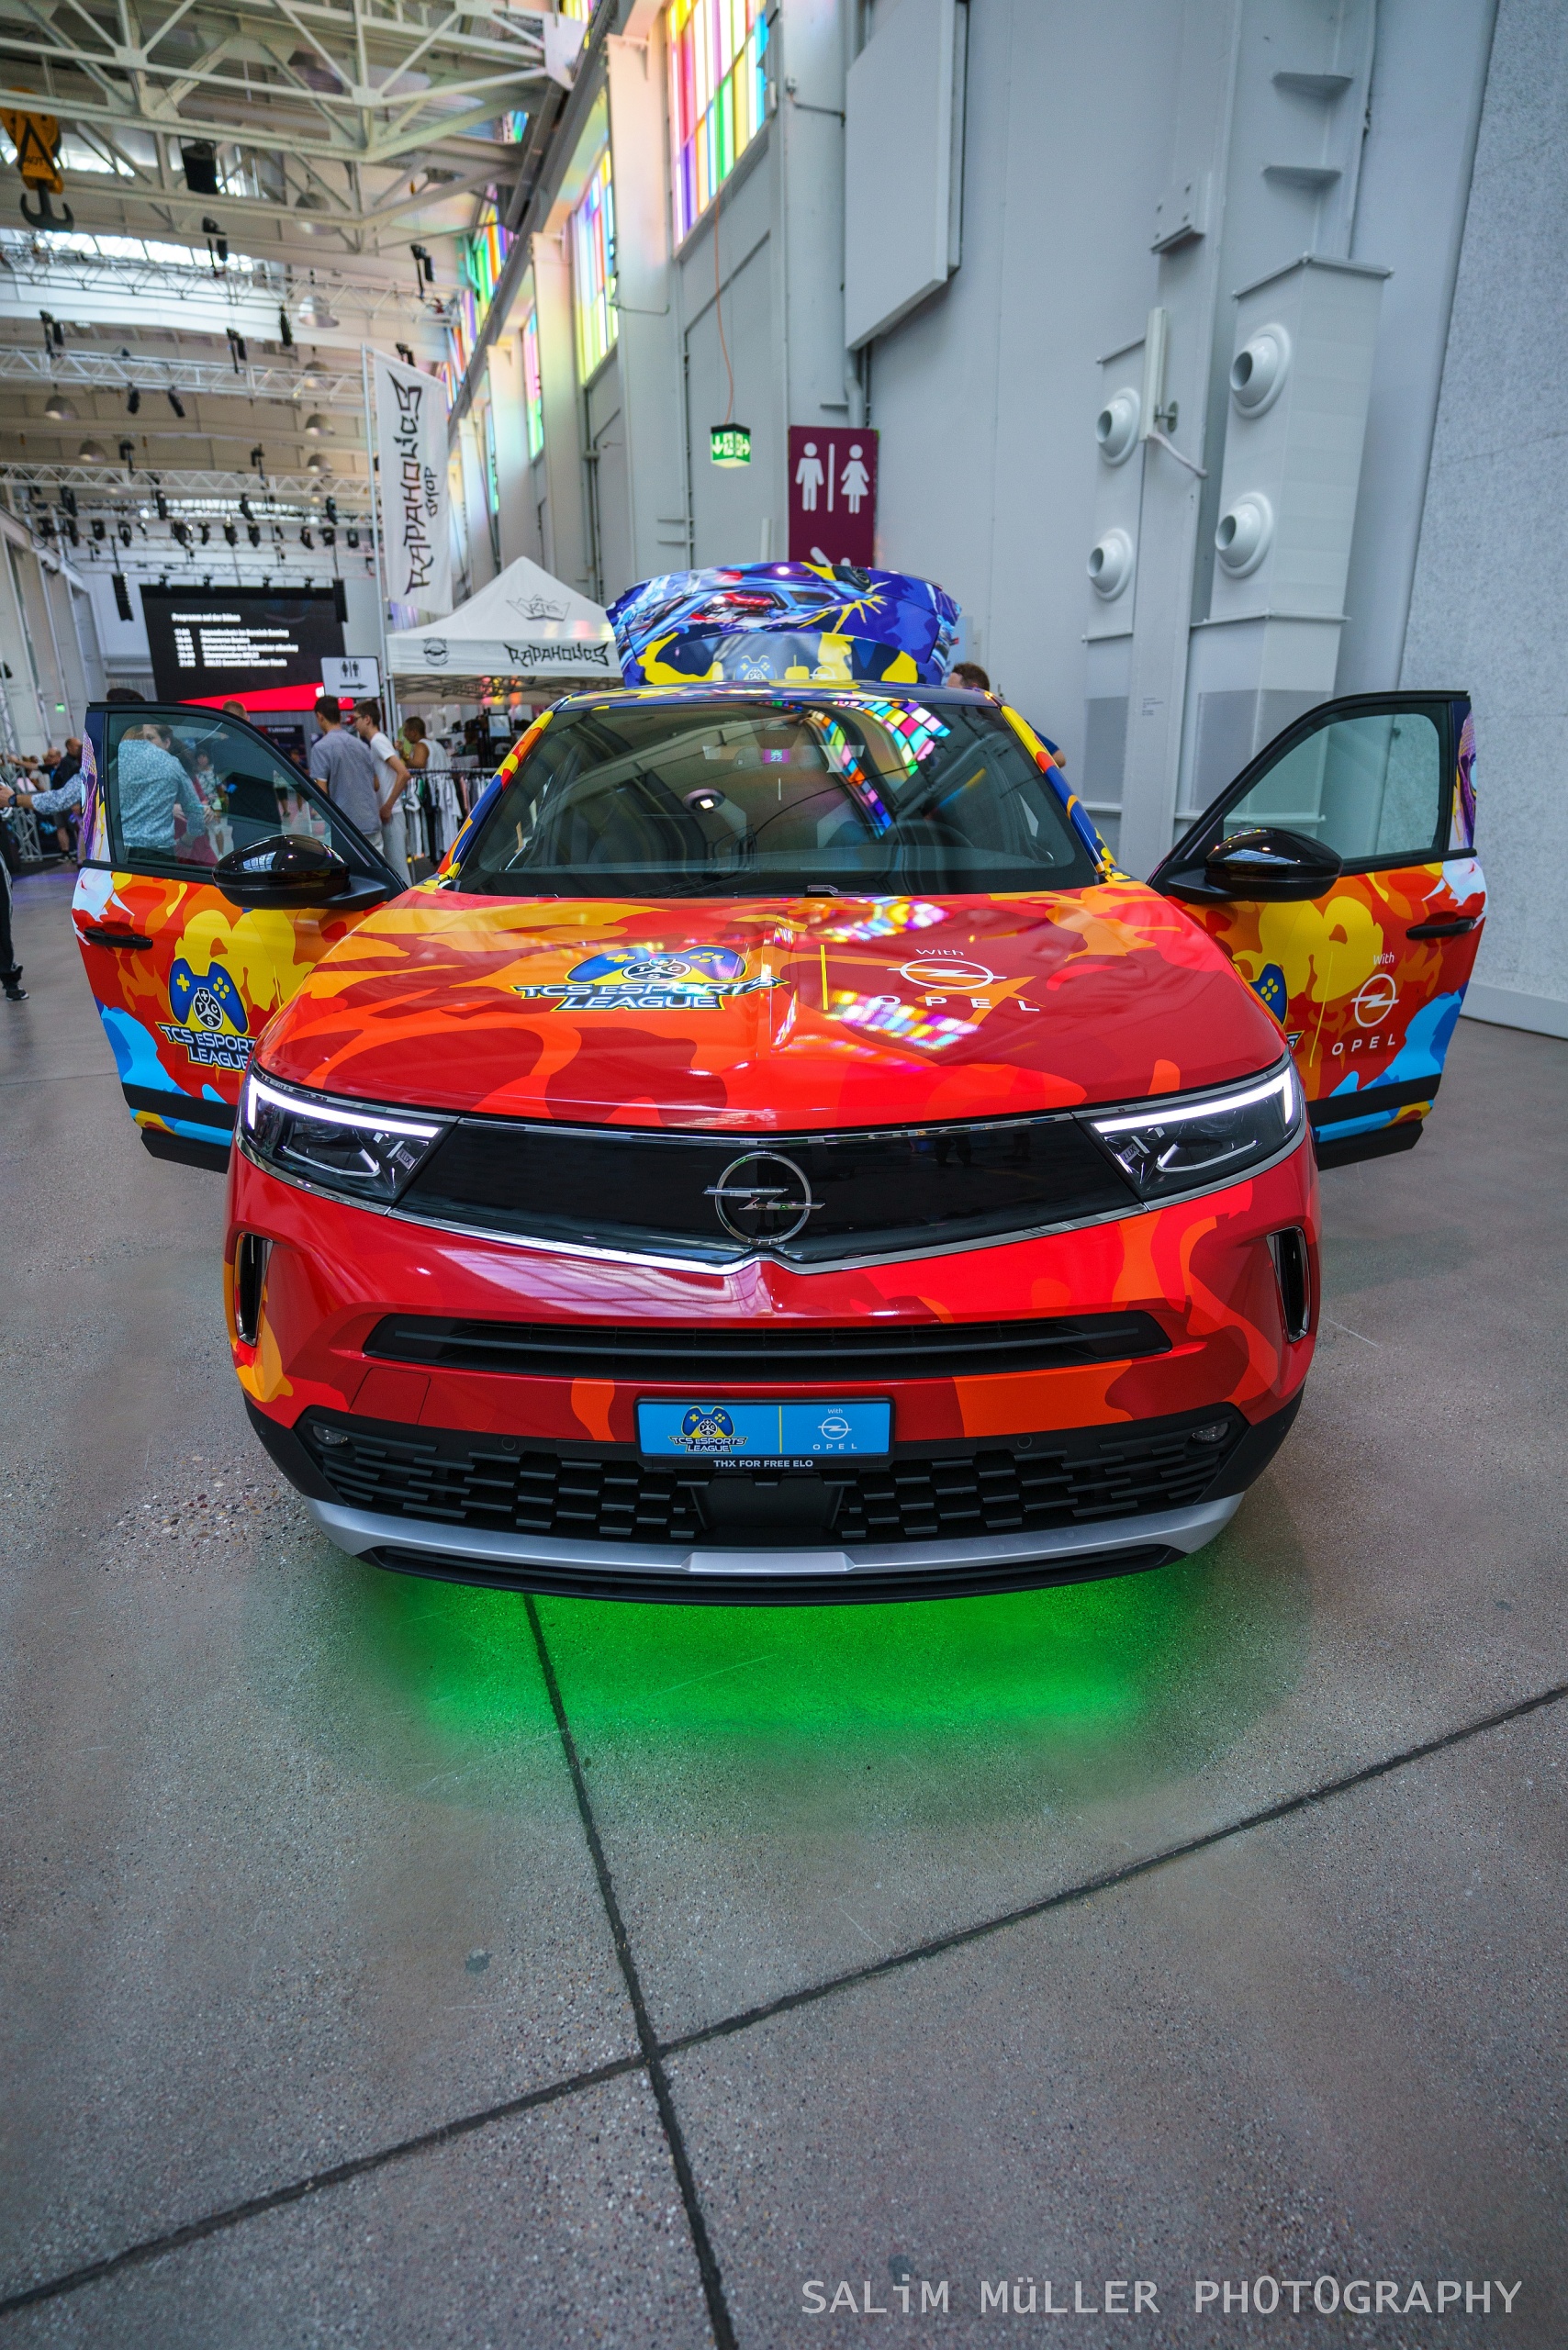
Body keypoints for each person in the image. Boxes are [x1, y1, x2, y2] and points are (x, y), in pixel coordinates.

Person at [116, 723, 211, 857]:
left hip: (118, 851)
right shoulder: (171, 764)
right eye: (146, 738)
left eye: (150, 738)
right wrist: (186, 842)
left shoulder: (116, 759)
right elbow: (196, 815)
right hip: (160, 853)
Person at [306, 694, 383, 851]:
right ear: (340, 716)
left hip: (344, 828)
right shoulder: (362, 746)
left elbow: (321, 793)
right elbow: (376, 784)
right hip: (370, 822)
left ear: (320, 716)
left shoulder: (321, 748)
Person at [353, 699, 412, 880]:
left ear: (367, 719)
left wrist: (387, 806)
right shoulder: (376, 742)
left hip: (391, 813)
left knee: (398, 870)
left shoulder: (378, 741)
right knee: (395, 868)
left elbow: (404, 774)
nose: (355, 724)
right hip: (389, 813)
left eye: (356, 719)